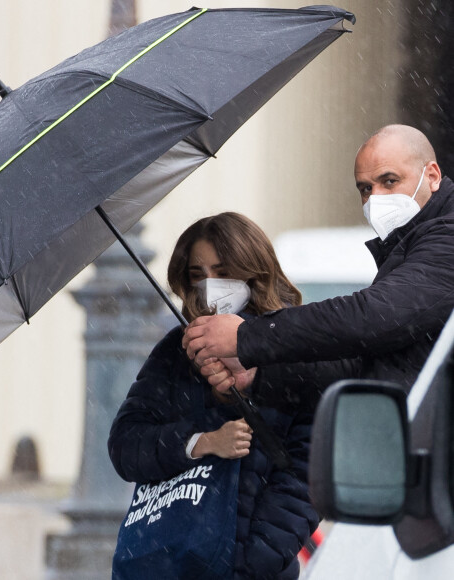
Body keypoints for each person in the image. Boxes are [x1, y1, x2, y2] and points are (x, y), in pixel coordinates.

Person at [108, 212, 321, 580]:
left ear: (253, 271)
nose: (210, 285)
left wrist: (251, 562)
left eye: (223, 272)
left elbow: (309, 471)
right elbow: (127, 447)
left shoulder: (291, 348)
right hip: (172, 561)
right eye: (197, 274)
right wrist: (202, 439)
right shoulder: (176, 352)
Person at [182, 125, 454, 399]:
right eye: (365, 188)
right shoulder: (406, 247)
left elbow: (374, 317)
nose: (375, 199)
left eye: (390, 181)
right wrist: (260, 374)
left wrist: (247, 336)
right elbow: (364, 367)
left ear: (431, 176)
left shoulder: (447, 236)